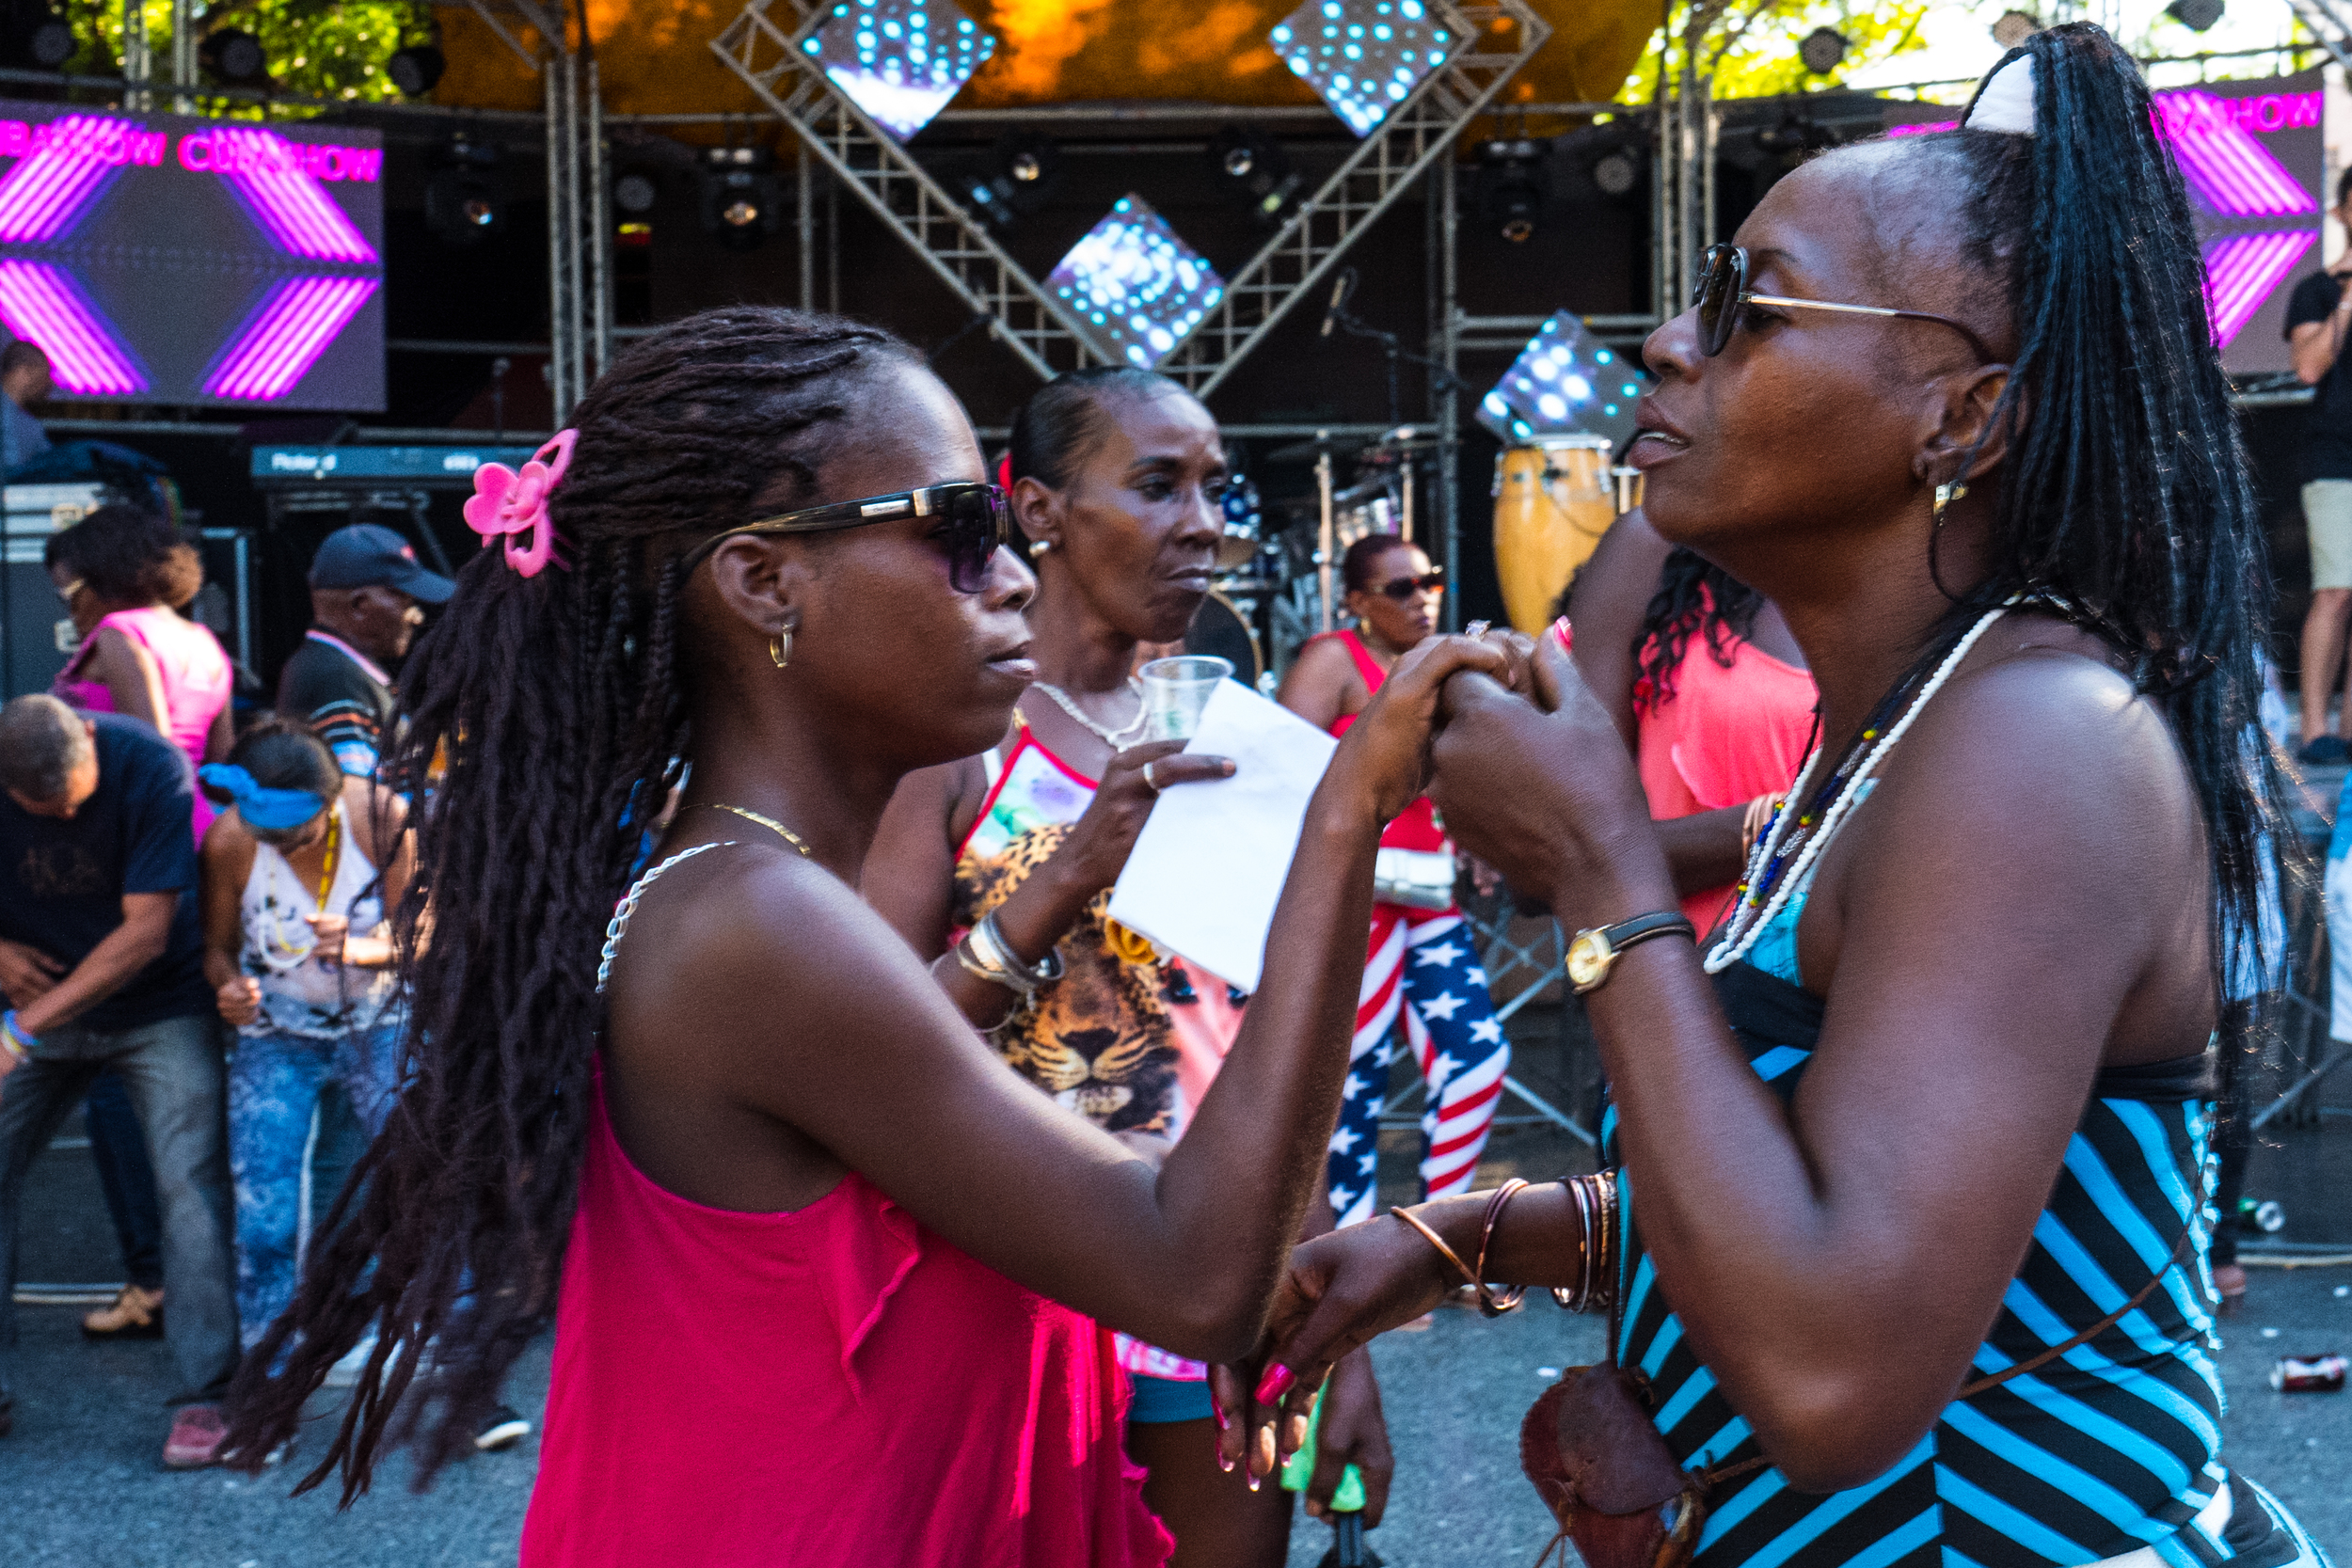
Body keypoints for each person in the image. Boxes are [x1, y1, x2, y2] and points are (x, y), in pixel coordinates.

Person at [1216, 27, 2331, 1568]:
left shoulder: (2041, 745)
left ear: (1962, 418)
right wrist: (1477, 1233)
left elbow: (1835, 1377)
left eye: (1751, 305)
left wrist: (1602, 863)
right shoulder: (1903, 732)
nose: (1671, 342)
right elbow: (1840, 1175)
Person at [219, 308, 1496, 1567]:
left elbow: (912, 1104)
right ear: (766, 581)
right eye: (953, 533)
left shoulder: (757, 891)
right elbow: (1195, 1272)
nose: (1006, 575)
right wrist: (1345, 826)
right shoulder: (756, 922)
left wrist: (1059, 904)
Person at [864, 367, 1391, 1565]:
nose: (1203, 520)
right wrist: (1063, 873)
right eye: (1158, 485)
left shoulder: (1239, 738)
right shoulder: (947, 742)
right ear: (1039, 511)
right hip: (997, 1281)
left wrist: (1331, 1332)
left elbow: (1276, 1056)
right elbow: (875, 1052)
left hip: (1202, 1285)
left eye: (1213, 487)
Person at [0, 695, 240, 1466]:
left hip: (154, 1003)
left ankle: (209, 1394)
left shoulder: (148, 766)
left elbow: (145, 932)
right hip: (34, 998)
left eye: (78, 798)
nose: (68, 817)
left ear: (92, 740)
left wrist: (21, 1026)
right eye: (47, 809)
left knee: (190, 1186)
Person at [1279, 533, 1510, 1228]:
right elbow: (1280, 770)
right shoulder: (1332, 660)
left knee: (1476, 1058)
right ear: (1357, 602)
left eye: (1429, 579)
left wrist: (1480, 836)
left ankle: (1432, 1244)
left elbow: (1453, 774)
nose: (1423, 596)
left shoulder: (1435, 665)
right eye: (1401, 587)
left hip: (1428, 891)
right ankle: (1350, 1259)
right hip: (1355, 896)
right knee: (1352, 1082)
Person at [1562, 509, 1816, 929]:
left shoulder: (1913, 572)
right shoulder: (1649, 547)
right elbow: (1579, 849)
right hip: (1699, 970)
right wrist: (1789, 821)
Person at [47, 505, 233, 839]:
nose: (70, 614)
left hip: (141, 839)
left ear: (103, 578)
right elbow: (220, 767)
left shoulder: (119, 633)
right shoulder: (204, 641)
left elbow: (152, 753)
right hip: (200, 829)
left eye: (69, 596)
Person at [276, 524, 453, 779]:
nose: (416, 616)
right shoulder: (337, 679)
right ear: (360, 605)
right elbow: (356, 801)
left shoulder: (339, 669)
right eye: (405, 600)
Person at [2286, 170, 2352, 765]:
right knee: (2335, 590)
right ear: (2341, 214)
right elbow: (2308, 368)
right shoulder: (2316, 292)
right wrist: (2349, 301)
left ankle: (2348, 730)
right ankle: (2313, 730)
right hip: (2337, 454)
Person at [1, 339, 52, 474]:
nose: (47, 383)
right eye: (43, 374)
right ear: (22, 372)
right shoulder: (9, 415)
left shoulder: (30, 425)